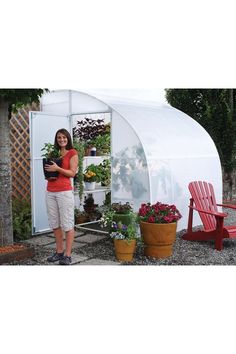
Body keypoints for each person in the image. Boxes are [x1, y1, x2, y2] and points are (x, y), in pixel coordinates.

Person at [44, 128, 78, 265]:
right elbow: (48, 170)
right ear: (56, 139)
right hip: (50, 191)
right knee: (55, 224)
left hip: (64, 192)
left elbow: (72, 173)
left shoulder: (72, 153)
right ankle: (59, 252)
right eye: (59, 138)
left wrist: (57, 169)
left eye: (64, 137)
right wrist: (49, 175)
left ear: (68, 138)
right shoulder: (54, 153)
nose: (61, 140)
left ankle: (67, 255)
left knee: (67, 224)